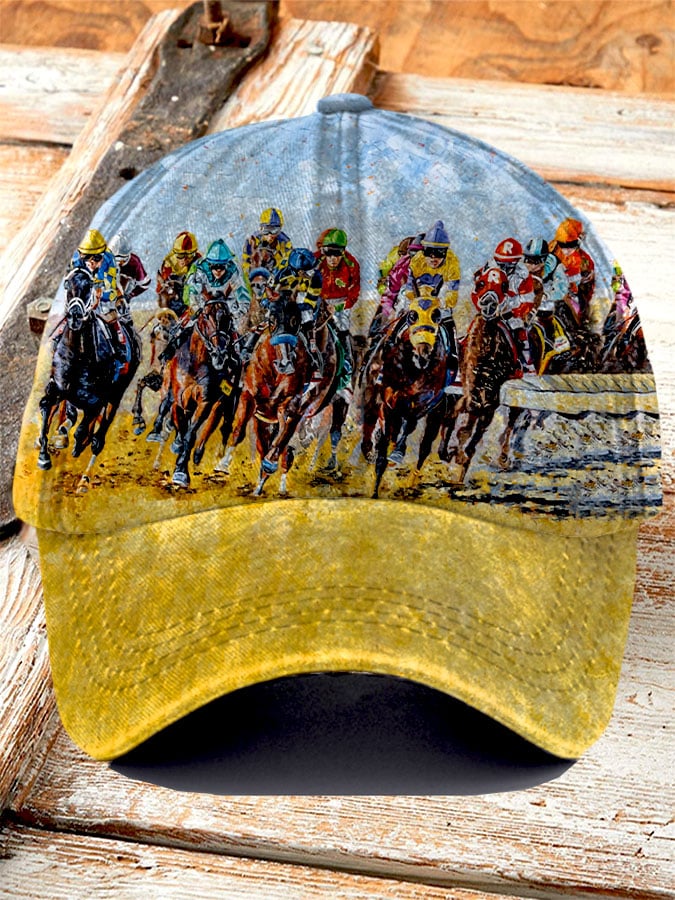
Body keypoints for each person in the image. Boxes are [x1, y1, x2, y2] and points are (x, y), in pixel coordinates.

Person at [69, 229, 129, 374]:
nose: (92, 263)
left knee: (111, 316)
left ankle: (120, 348)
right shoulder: (75, 259)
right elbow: (73, 280)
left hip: (102, 297)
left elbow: (111, 285)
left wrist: (100, 293)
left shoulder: (109, 259)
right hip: (82, 297)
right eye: (87, 258)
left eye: (96, 258)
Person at [476, 237, 536, 375]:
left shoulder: (523, 276)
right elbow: (476, 291)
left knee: (519, 330)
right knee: (475, 329)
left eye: (508, 266)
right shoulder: (487, 270)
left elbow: (527, 300)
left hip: (510, 312)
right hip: (489, 311)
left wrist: (516, 311)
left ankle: (525, 363)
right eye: (501, 264)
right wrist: (482, 306)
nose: (503, 269)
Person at [406, 221, 460, 364]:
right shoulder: (417, 260)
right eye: (429, 252)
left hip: (439, 298)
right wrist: (411, 299)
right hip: (419, 296)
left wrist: (442, 302)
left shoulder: (452, 263)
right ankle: (390, 341)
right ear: (423, 250)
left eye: (439, 253)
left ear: (446, 252)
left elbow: (452, 292)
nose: (433, 258)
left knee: (447, 318)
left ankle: (453, 354)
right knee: (404, 314)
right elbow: (409, 287)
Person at [315, 228, 360, 379]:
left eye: (337, 253)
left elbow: (353, 295)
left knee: (342, 324)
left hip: (340, 302)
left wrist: (338, 307)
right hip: (318, 300)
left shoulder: (352, 265)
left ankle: (346, 359)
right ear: (323, 251)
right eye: (329, 253)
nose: (333, 258)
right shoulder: (315, 260)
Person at [551, 217, 596, 329]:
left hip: (573, 293)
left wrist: (585, 278)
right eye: (563, 245)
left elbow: (589, 282)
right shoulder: (550, 250)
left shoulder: (584, 259)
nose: (567, 250)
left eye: (571, 245)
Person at [156, 231, 201, 316]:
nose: (184, 260)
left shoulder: (200, 261)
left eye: (189, 255)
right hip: (175, 290)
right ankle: (165, 317)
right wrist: (167, 287)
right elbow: (161, 285)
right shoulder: (169, 262)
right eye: (180, 255)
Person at [108, 233, 151, 317]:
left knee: (123, 315)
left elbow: (145, 284)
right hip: (108, 292)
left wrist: (130, 295)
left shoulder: (134, 263)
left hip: (123, 294)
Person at [242, 207, 293, 275]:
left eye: (274, 230)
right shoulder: (251, 241)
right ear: (261, 228)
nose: (270, 235)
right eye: (266, 230)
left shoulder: (285, 242)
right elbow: (245, 264)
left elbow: (289, 263)